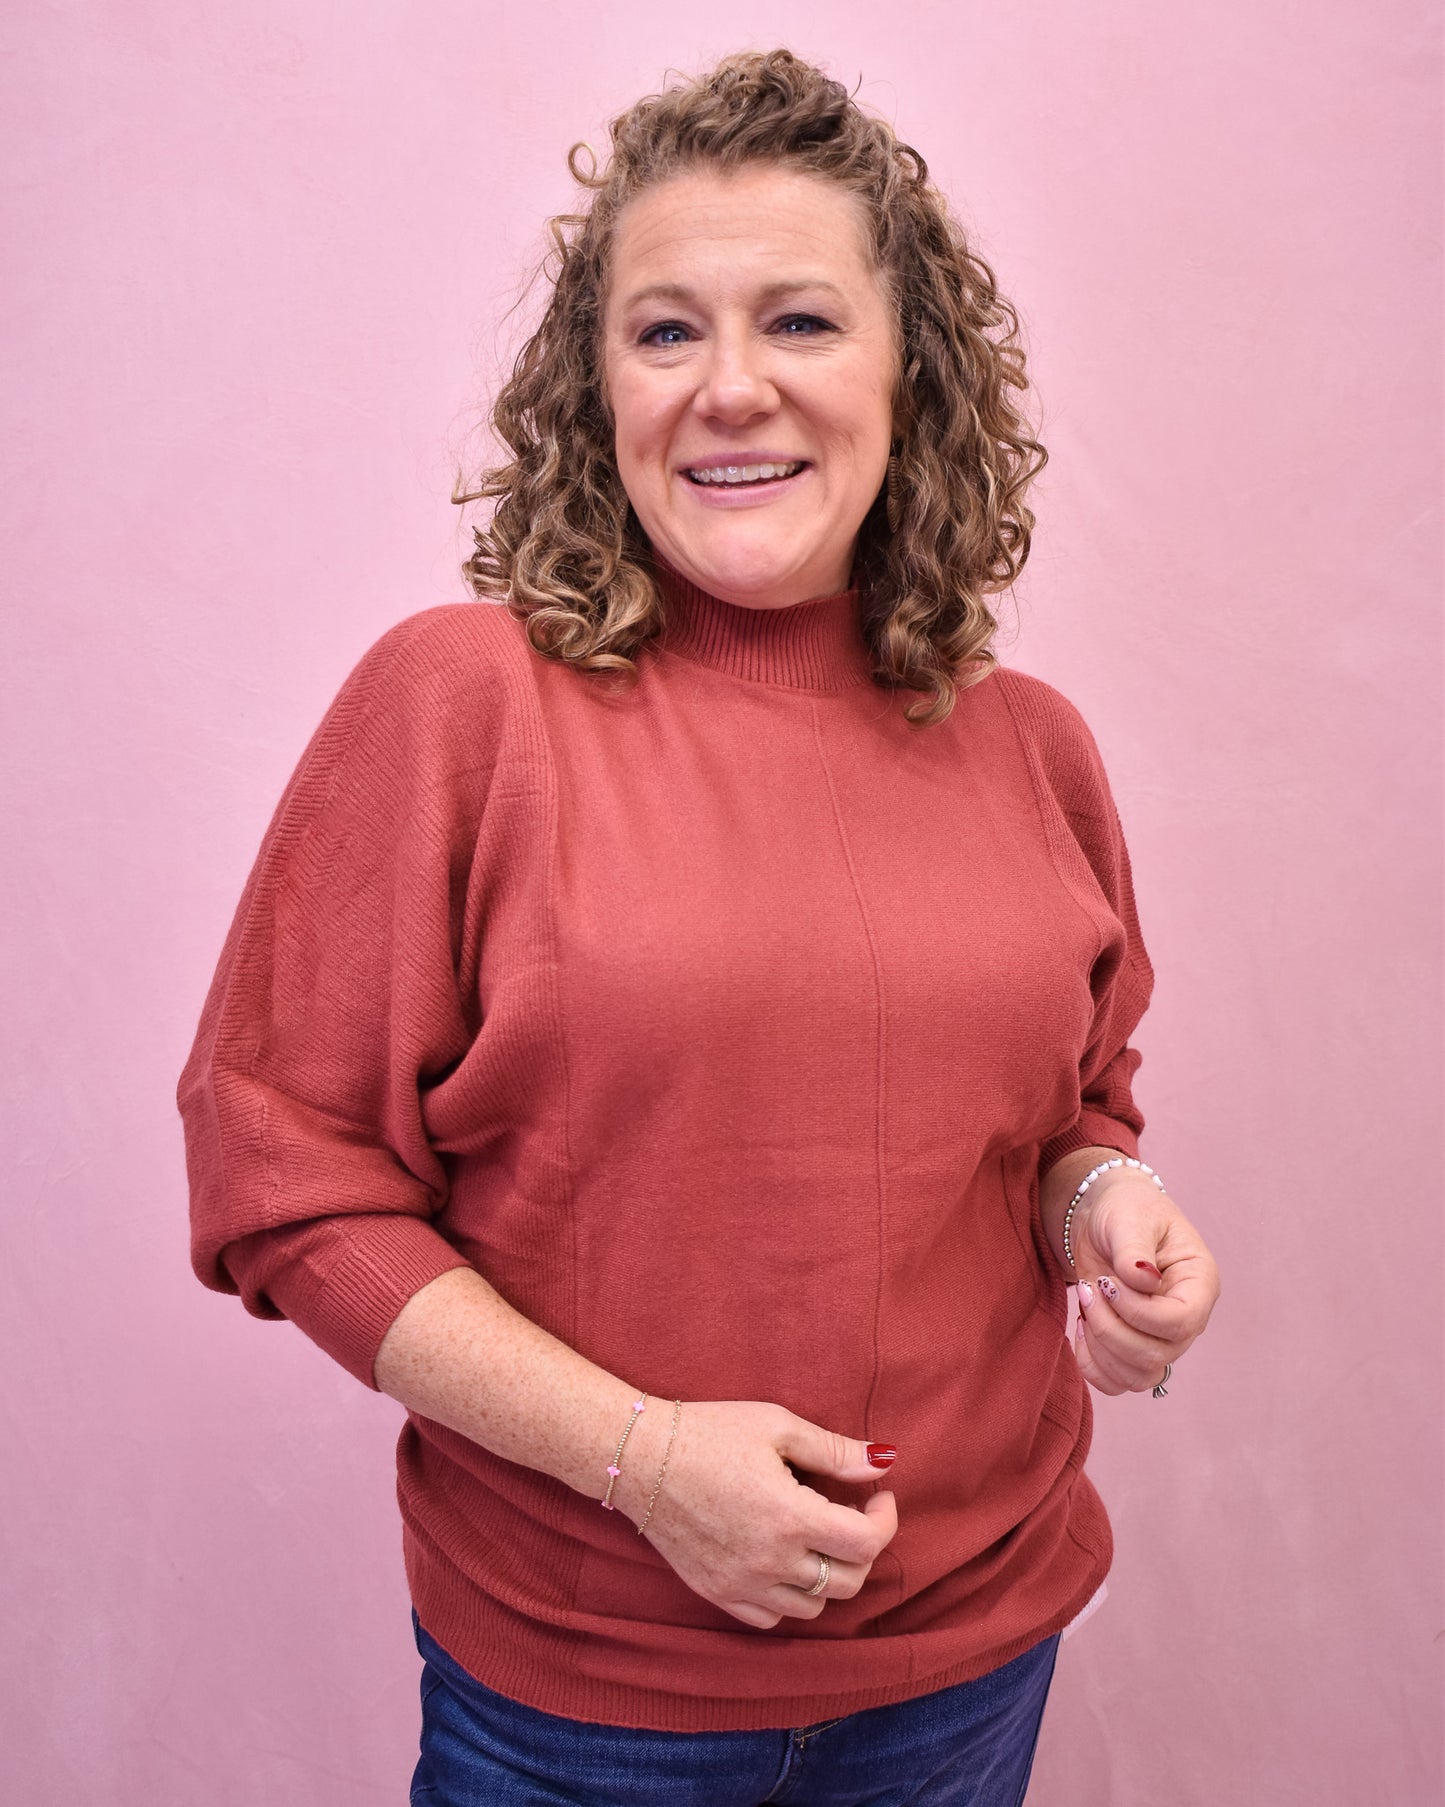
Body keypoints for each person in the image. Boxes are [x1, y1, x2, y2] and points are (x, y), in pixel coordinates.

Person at [179, 48, 1220, 1807]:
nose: (730, 387)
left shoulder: (1032, 745)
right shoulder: (460, 706)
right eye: (665, 332)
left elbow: (1065, 1120)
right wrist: (640, 1457)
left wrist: (1108, 1213)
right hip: (585, 1699)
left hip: (976, 1659)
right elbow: (286, 1176)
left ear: (911, 379)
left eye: (800, 321)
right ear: (597, 394)